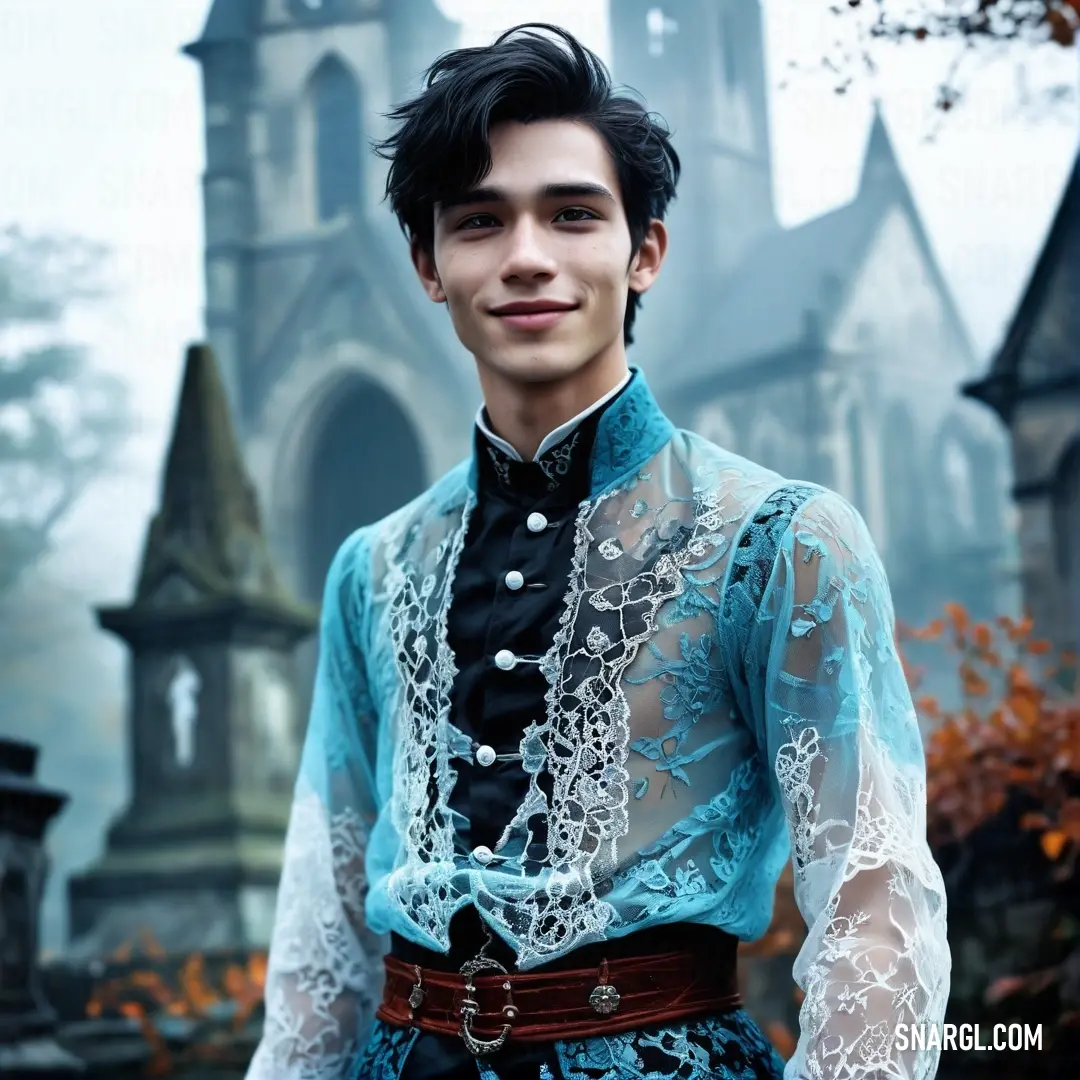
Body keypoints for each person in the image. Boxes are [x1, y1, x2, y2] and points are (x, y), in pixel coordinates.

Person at [246, 23, 950, 1080]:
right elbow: (322, 944)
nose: (527, 256)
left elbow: (875, 914)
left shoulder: (785, 544)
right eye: (479, 221)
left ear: (645, 250)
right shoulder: (373, 571)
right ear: (430, 267)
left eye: (573, 214)